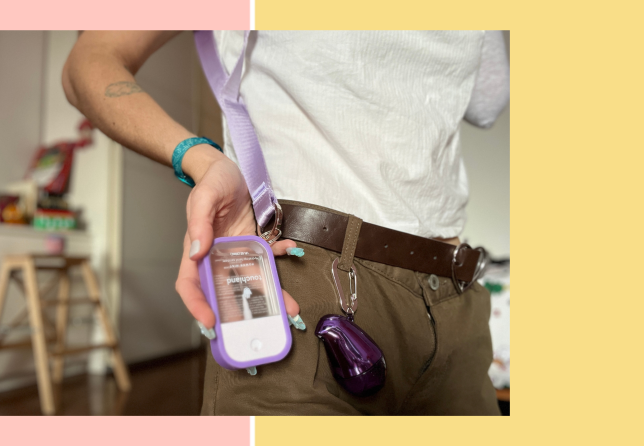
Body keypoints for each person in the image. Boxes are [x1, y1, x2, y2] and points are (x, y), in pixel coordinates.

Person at [63, 30, 510, 415]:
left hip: (455, 300)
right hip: (303, 277)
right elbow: (91, 59)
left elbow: (488, 100)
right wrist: (199, 159)